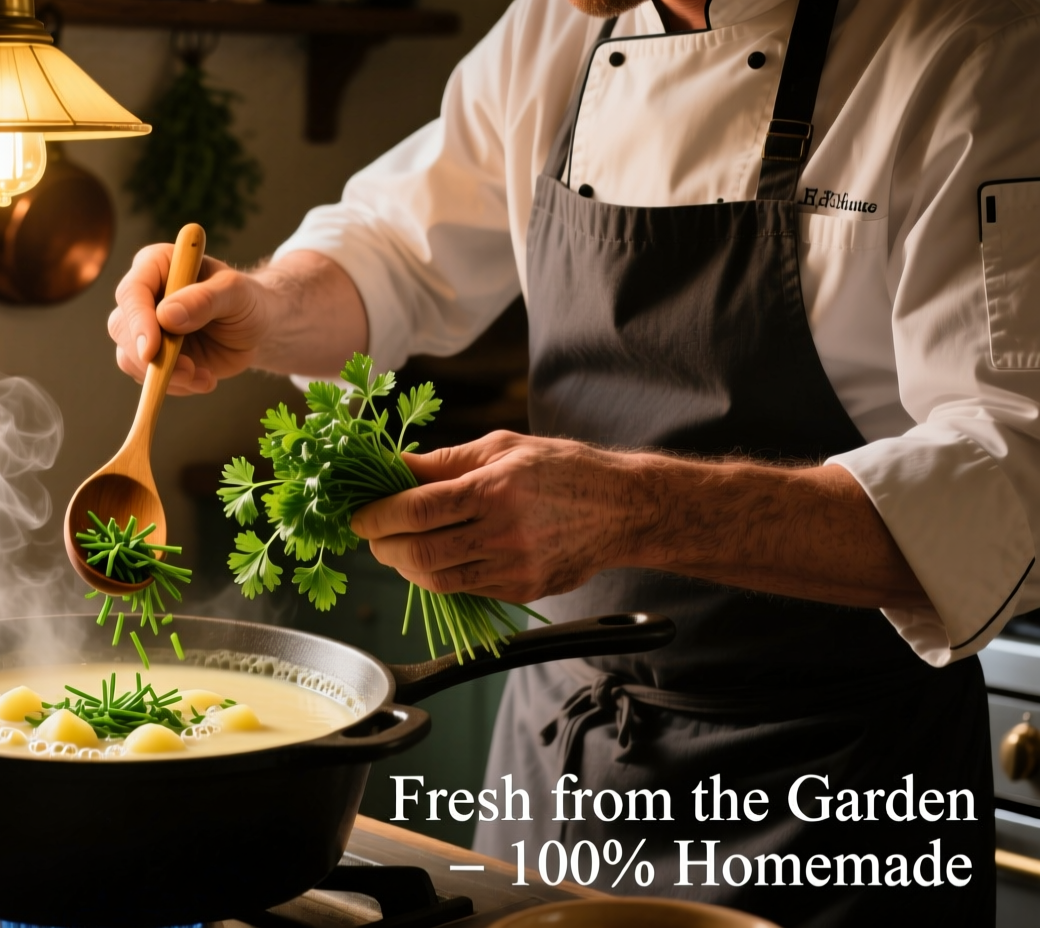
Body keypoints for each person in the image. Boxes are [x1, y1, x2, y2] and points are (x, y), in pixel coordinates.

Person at [108, 0, 1038, 924]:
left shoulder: (969, 54)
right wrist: (265, 308)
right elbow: (399, 247)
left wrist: (637, 508)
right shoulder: (557, 27)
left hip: (839, 789)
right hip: (562, 756)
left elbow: (1012, 471)